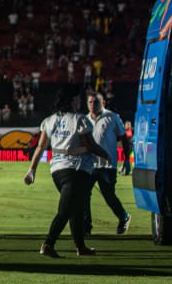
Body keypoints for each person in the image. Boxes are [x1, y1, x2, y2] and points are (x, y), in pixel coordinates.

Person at [23, 89, 111, 258]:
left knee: (75, 209)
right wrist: (106, 155)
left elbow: (40, 147)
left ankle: (81, 247)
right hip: (77, 169)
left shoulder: (50, 120)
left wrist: (31, 169)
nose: (80, 103)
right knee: (66, 209)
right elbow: (90, 144)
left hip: (57, 171)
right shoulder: (80, 120)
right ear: (72, 101)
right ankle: (48, 244)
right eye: (78, 99)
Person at [84, 91, 131, 235]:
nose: (93, 105)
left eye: (96, 102)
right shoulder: (84, 120)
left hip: (107, 166)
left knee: (109, 196)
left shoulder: (112, 117)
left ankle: (123, 216)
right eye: (90, 102)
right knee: (84, 195)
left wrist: (126, 161)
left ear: (103, 103)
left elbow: (124, 139)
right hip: (89, 165)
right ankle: (86, 228)